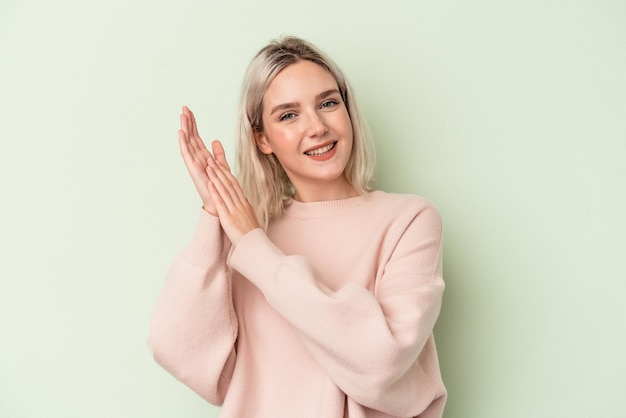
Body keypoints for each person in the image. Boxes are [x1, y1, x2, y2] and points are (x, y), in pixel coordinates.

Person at [148, 36, 446, 418]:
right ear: (262, 139)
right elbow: (185, 356)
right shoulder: (249, 232)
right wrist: (215, 216)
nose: (317, 127)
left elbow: (379, 364)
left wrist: (255, 248)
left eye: (328, 103)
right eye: (289, 115)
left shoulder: (410, 220)